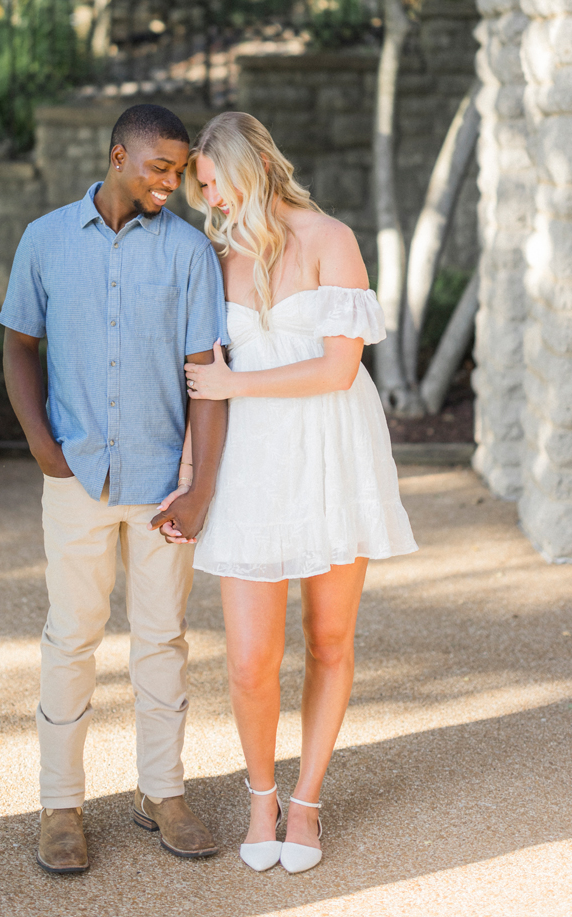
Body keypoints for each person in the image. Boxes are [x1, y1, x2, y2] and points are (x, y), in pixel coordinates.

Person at [151, 111, 417, 875]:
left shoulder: (332, 238)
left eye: (212, 183)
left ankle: (306, 799)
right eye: (200, 188)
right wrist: (190, 475)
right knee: (246, 659)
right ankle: (259, 794)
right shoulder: (216, 252)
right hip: (254, 464)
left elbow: (339, 369)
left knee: (329, 640)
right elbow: (200, 375)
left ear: (252, 165)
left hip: (333, 453)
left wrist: (238, 380)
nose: (208, 200)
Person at [0, 104, 229, 876]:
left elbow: (208, 379)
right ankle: (60, 804)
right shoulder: (46, 238)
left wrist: (197, 488)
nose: (174, 182)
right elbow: (19, 345)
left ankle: (162, 792)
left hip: (164, 483)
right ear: (118, 155)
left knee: (162, 641)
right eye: (161, 167)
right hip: (77, 478)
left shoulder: (192, 253)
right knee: (72, 637)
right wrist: (42, 445)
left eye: (180, 169)